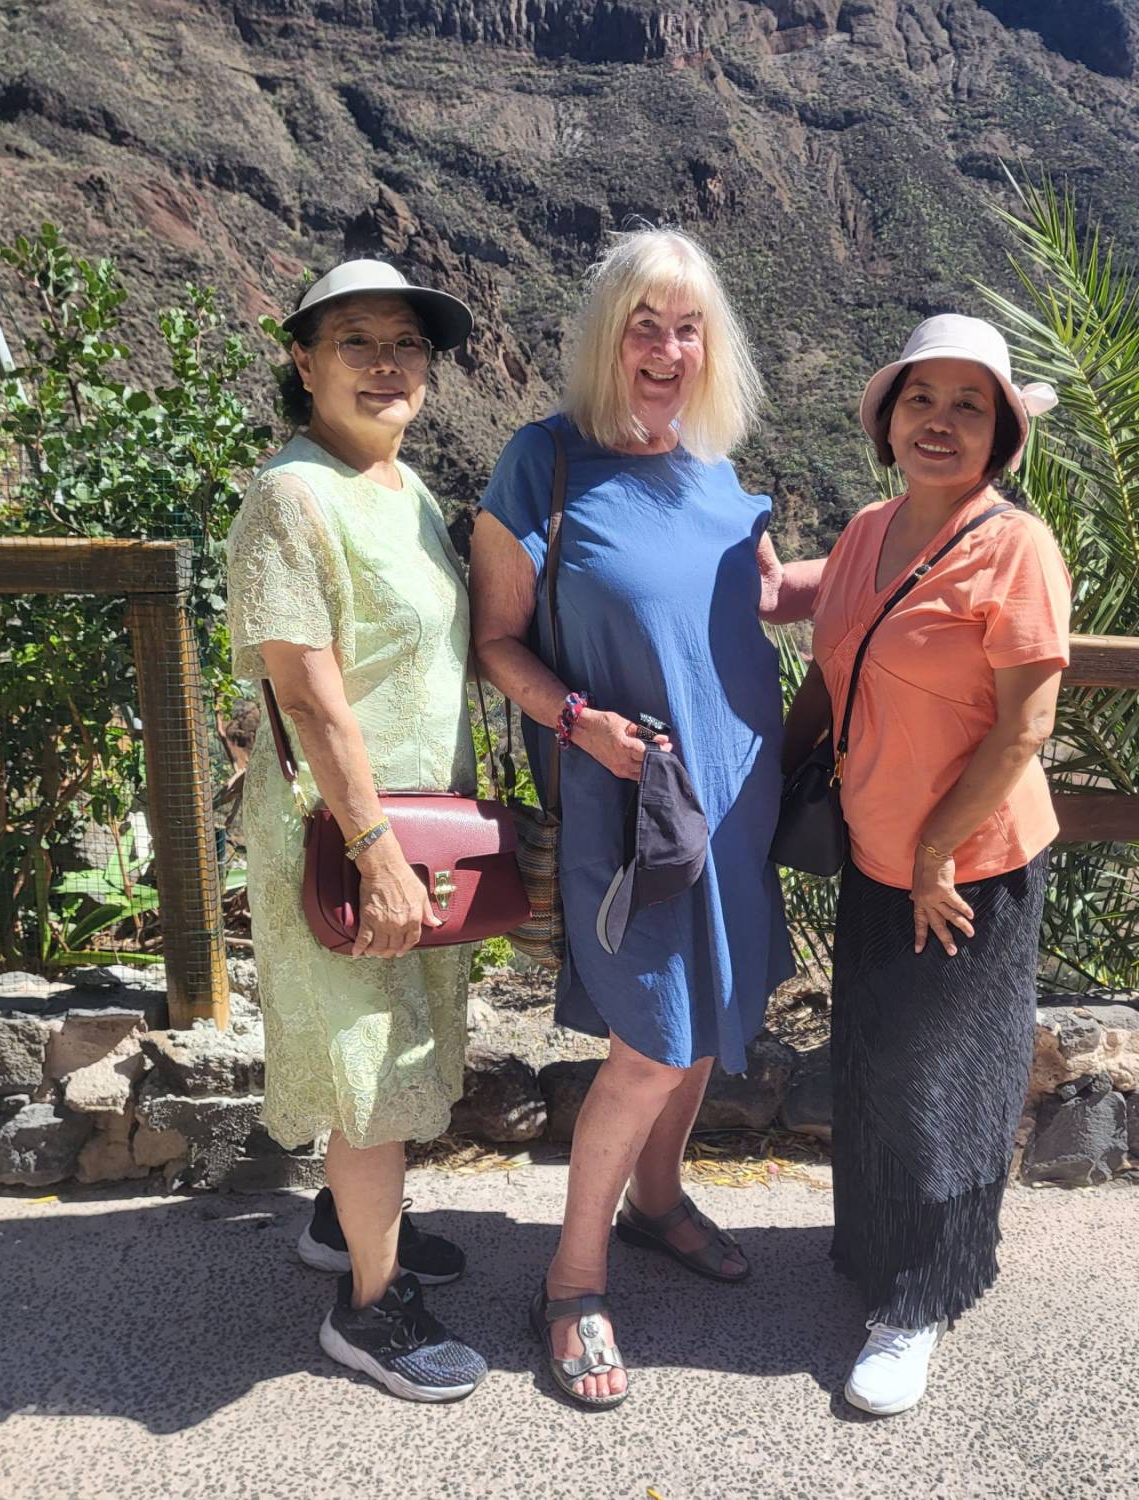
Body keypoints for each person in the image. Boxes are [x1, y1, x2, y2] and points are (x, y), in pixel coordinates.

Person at [471, 227, 821, 1408]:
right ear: (604, 339)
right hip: (628, 806)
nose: (666, 352)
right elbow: (495, 641)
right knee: (653, 1043)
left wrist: (926, 540)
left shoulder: (717, 474)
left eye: (687, 330)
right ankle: (570, 1281)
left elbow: (769, 597)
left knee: (710, 1021)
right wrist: (578, 723)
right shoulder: (544, 464)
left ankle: (656, 1201)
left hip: (735, 799)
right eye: (643, 327)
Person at [785, 314, 1069, 1416]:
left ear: (1000, 433)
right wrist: (776, 776)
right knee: (872, 1062)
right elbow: (830, 671)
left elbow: (1025, 727)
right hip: (875, 850)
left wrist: (936, 853)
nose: (939, 422)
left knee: (941, 1079)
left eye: (968, 405)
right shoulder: (867, 532)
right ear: (887, 419)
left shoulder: (1016, 549)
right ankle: (874, 1254)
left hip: (966, 870)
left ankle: (919, 1300)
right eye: (921, 399)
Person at [226, 259, 487, 1403]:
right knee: (369, 1058)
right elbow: (309, 694)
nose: (386, 364)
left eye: (406, 344)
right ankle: (370, 1312)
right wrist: (376, 849)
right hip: (348, 835)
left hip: (418, 828)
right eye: (356, 342)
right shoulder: (292, 498)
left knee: (398, 1042)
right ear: (303, 360)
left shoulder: (406, 488)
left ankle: (346, 1223)